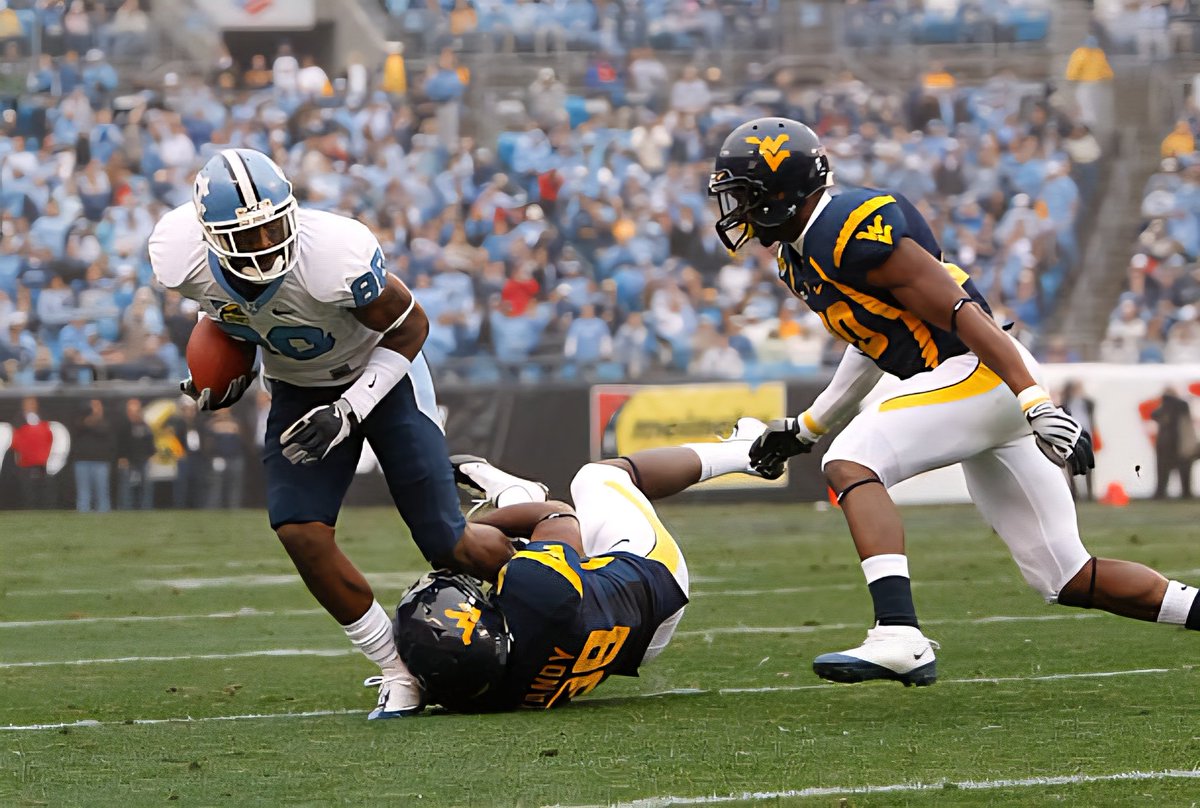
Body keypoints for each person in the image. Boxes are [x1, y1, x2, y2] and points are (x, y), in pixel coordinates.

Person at [707, 117, 1200, 687]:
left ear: (780, 191)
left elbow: (962, 312)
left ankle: (899, 634)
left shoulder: (845, 228)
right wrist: (807, 427)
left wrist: (1033, 399)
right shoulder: (798, 255)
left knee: (852, 463)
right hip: (978, 386)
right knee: (1065, 575)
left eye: (742, 194)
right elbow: (869, 343)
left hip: (981, 371)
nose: (734, 209)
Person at [148, 148, 513, 719]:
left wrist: (348, 409)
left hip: (384, 376)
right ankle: (398, 670)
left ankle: (548, 571)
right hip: (298, 388)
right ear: (208, 238)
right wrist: (222, 378)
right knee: (300, 531)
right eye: (249, 234)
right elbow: (223, 318)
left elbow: (411, 325)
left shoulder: (334, 254)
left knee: (448, 543)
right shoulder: (178, 259)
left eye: (272, 224)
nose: (266, 241)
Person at [390, 419, 768, 712]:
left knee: (525, 558)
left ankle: (512, 493)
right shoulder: (538, 593)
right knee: (596, 478)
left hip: (633, 645)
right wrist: (461, 533)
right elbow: (558, 516)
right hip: (655, 578)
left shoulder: (477, 692)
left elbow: (446, 670)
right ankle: (746, 452)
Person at [1151, 387, 1196, 499]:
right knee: (1184, 471)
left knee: (1163, 473)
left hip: (1165, 444)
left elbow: (1154, 415)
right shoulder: (1182, 405)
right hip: (1180, 444)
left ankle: (1161, 493)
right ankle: (1186, 493)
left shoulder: (1165, 406)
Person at [11, 396, 55, 509]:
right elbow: (15, 440)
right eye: (28, 403)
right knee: (27, 489)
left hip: (41, 461)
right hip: (25, 462)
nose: (30, 406)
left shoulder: (43, 418)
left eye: (32, 403)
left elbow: (48, 437)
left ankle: (44, 511)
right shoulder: (18, 420)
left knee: (43, 488)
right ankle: (29, 510)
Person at [73, 398, 114, 513]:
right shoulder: (80, 418)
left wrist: (97, 416)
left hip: (101, 461)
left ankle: (104, 518)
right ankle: (83, 518)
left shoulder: (106, 420)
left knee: (102, 494)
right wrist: (93, 416)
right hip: (82, 461)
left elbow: (104, 430)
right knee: (83, 494)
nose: (94, 408)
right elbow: (81, 426)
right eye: (92, 406)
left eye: (97, 406)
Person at [115, 398, 156, 510]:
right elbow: (119, 443)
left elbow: (150, 442)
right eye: (131, 410)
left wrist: (150, 454)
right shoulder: (123, 425)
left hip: (143, 459)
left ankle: (145, 508)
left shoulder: (145, 425)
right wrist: (121, 457)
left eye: (136, 410)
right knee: (125, 487)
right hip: (127, 460)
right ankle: (125, 509)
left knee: (146, 486)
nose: (134, 413)